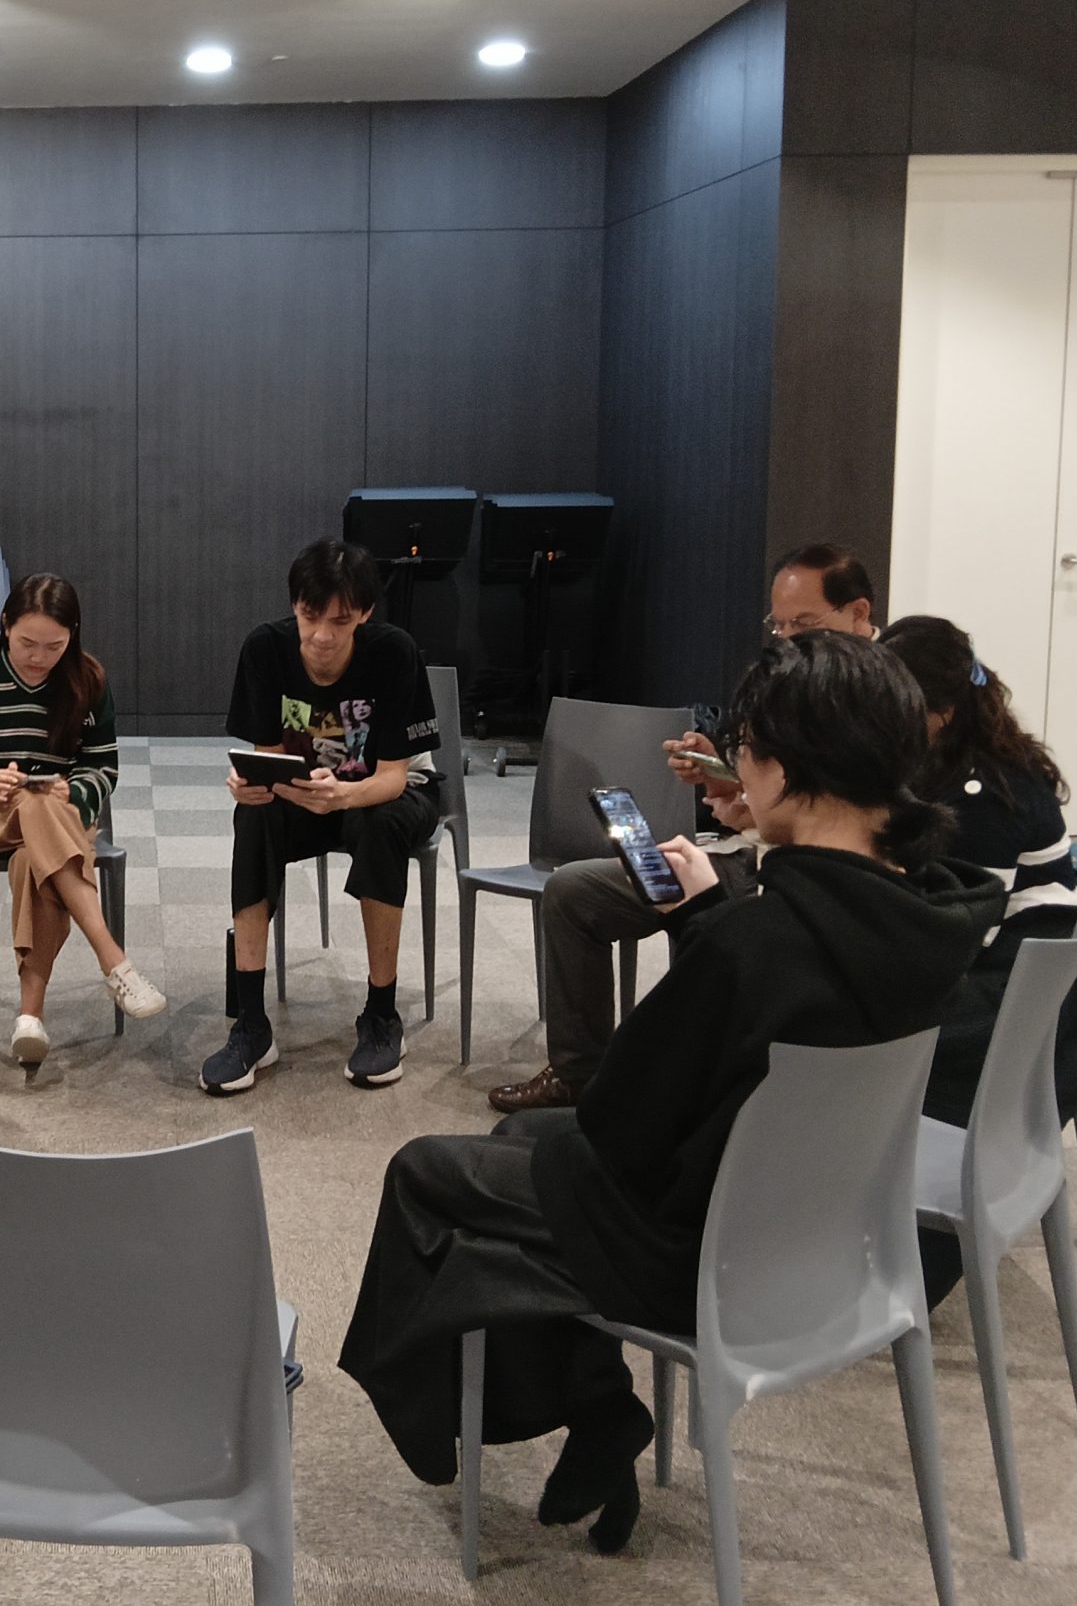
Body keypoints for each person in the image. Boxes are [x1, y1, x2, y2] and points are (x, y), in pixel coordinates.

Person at [340, 631, 1001, 1556]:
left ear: (778, 767)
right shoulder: (939, 911)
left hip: (704, 1254)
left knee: (430, 1175)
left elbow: (623, 1123)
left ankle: (560, 1403)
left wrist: (699, 924)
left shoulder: (756, 944)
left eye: (747, 750)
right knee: (531, 1148)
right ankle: (601, 1406)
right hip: (831, 1234)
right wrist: (715, 914)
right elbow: (748, 1049)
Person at [488, 540, 881, 1114]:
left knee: (697, 908)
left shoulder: (882, 692)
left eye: (806, 623)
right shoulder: (796, 676)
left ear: (859, 614)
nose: (790, 637)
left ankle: (688, 1082)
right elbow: (779, 790)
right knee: (574, 890)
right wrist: (724, 776)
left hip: (806, 874)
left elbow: (844, 819)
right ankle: (580, 1073)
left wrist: (749, 808)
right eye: (780, 625)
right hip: (751, 850)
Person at [879, 615, 1077, 1301]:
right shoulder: (962, 765)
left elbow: (946, 937)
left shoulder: (984, 799)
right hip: (1024, 1001)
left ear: (938, 713)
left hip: (1011, 1022)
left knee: (833, 1020)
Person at [201, 540, 443, 1096]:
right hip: (308, 792)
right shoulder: (266, 648)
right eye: (311, 617)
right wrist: (248, 784)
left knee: (379, 822)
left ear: (364, 613)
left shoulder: (394, 653)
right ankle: (252, 1024)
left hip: (391, 792)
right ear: (294, 606)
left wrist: (344, 797)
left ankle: (382, 1014)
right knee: (254, 819)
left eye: (340, 620)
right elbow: (269, 758)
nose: (323, 635)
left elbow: (393, 778)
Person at [0, 573, 164, 1067]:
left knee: (33, 858)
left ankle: (29, 1018)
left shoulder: (88, 680)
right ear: (5, 625)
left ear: (72, 636)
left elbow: (103, 766)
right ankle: (112, 958)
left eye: (54, 646)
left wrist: (72, 792)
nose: (38, 657)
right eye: (26, 643)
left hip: (60, 821)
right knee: (33, 807)